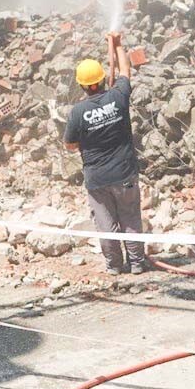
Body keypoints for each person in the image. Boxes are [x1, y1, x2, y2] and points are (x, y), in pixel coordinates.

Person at [64, 32, 149, 275]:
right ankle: (136, 264)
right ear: (102, 80)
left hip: (97, 179)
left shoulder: (78, 112)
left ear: (82, 85)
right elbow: (125, 71)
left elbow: (69, 145)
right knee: (131, 218)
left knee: (106, 225)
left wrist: (87, 142)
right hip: (124, 174)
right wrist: (118, 44)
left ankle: (114, 266)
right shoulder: (118, 96)